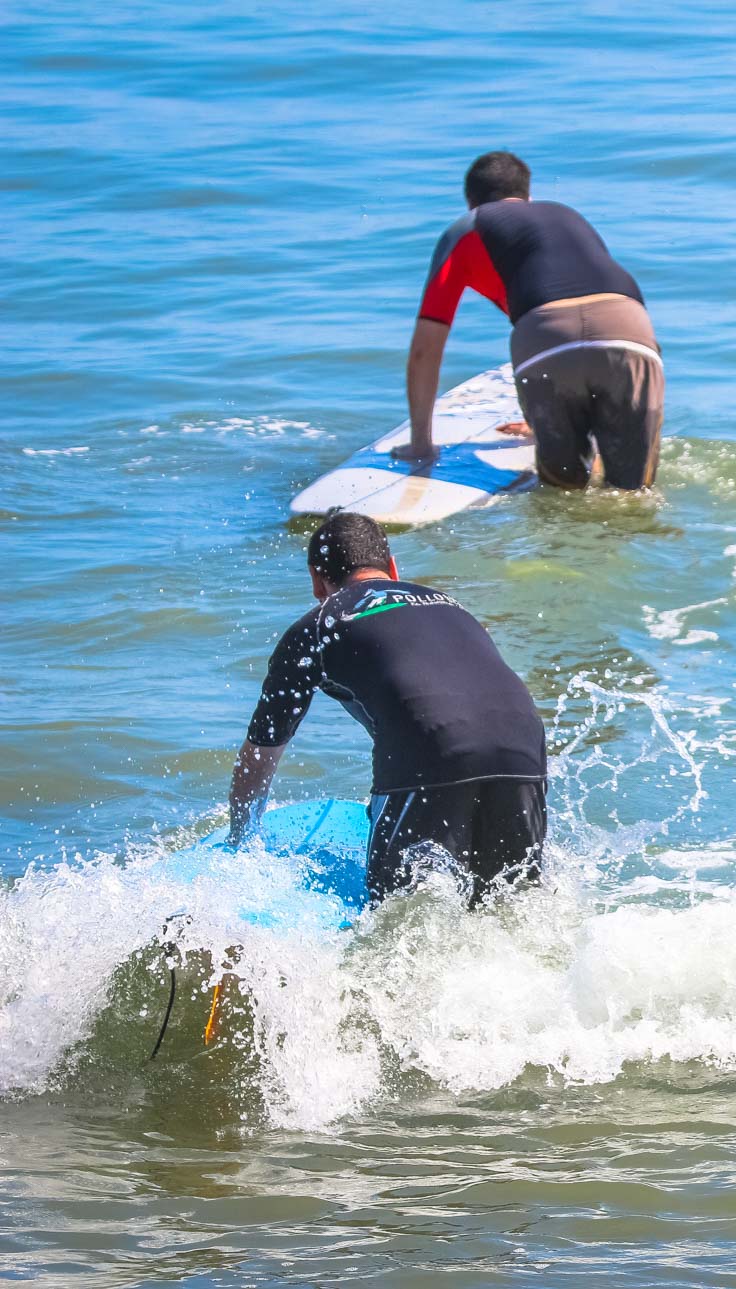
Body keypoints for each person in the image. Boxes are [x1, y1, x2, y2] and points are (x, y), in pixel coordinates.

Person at [228, 512, 549, 904]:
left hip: (433, 751)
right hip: (525, 747)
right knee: (510, 907)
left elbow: (259, 756)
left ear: (316, 579)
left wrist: (240, 841)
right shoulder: (450, 605)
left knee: (394, 922)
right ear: (392, 567)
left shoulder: (316, 627)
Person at [400, 150, 666, 489]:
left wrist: (421, 442)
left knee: (562, 495)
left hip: (546, 340)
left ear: (470, 202)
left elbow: (427, 346)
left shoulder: (466, 229)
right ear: (528, 196)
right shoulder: (568, 215)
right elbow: (586, 317)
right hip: (631, 330)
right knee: (633, 494)